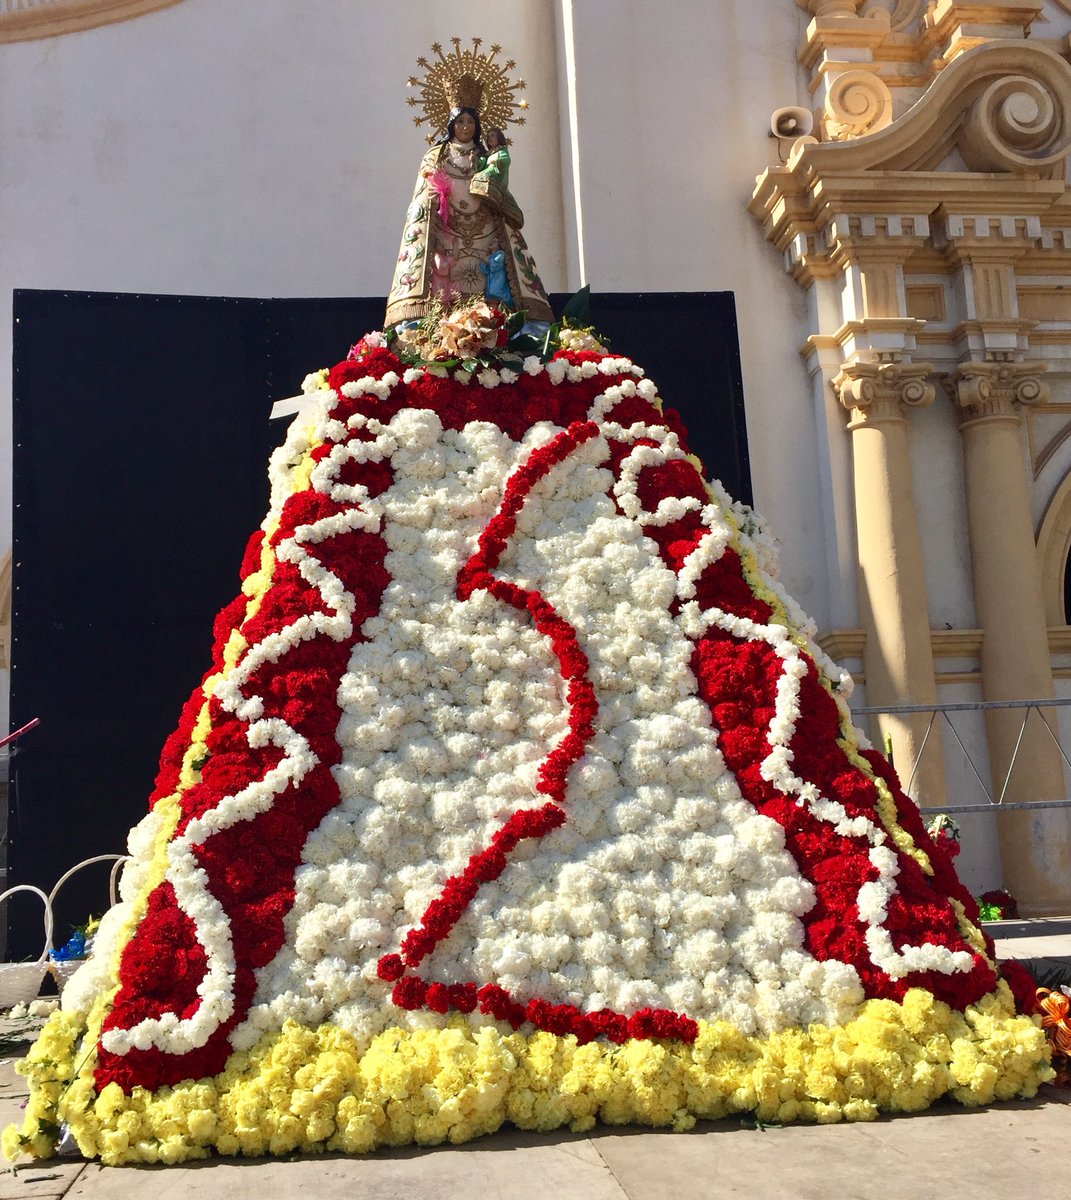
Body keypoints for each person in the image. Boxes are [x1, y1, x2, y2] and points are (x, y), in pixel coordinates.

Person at [385, 105, 553, 327]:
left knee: (495, 279)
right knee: (443, 285)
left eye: (470, 122)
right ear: (452, 125)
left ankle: (498, 328)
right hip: (446, 230)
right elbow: (423, 192)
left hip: (486, 230)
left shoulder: (487, 156)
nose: (465, 127)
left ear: (478, 126)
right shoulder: (436, 155)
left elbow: (499, 183)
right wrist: (433, 196)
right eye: (460, 121)